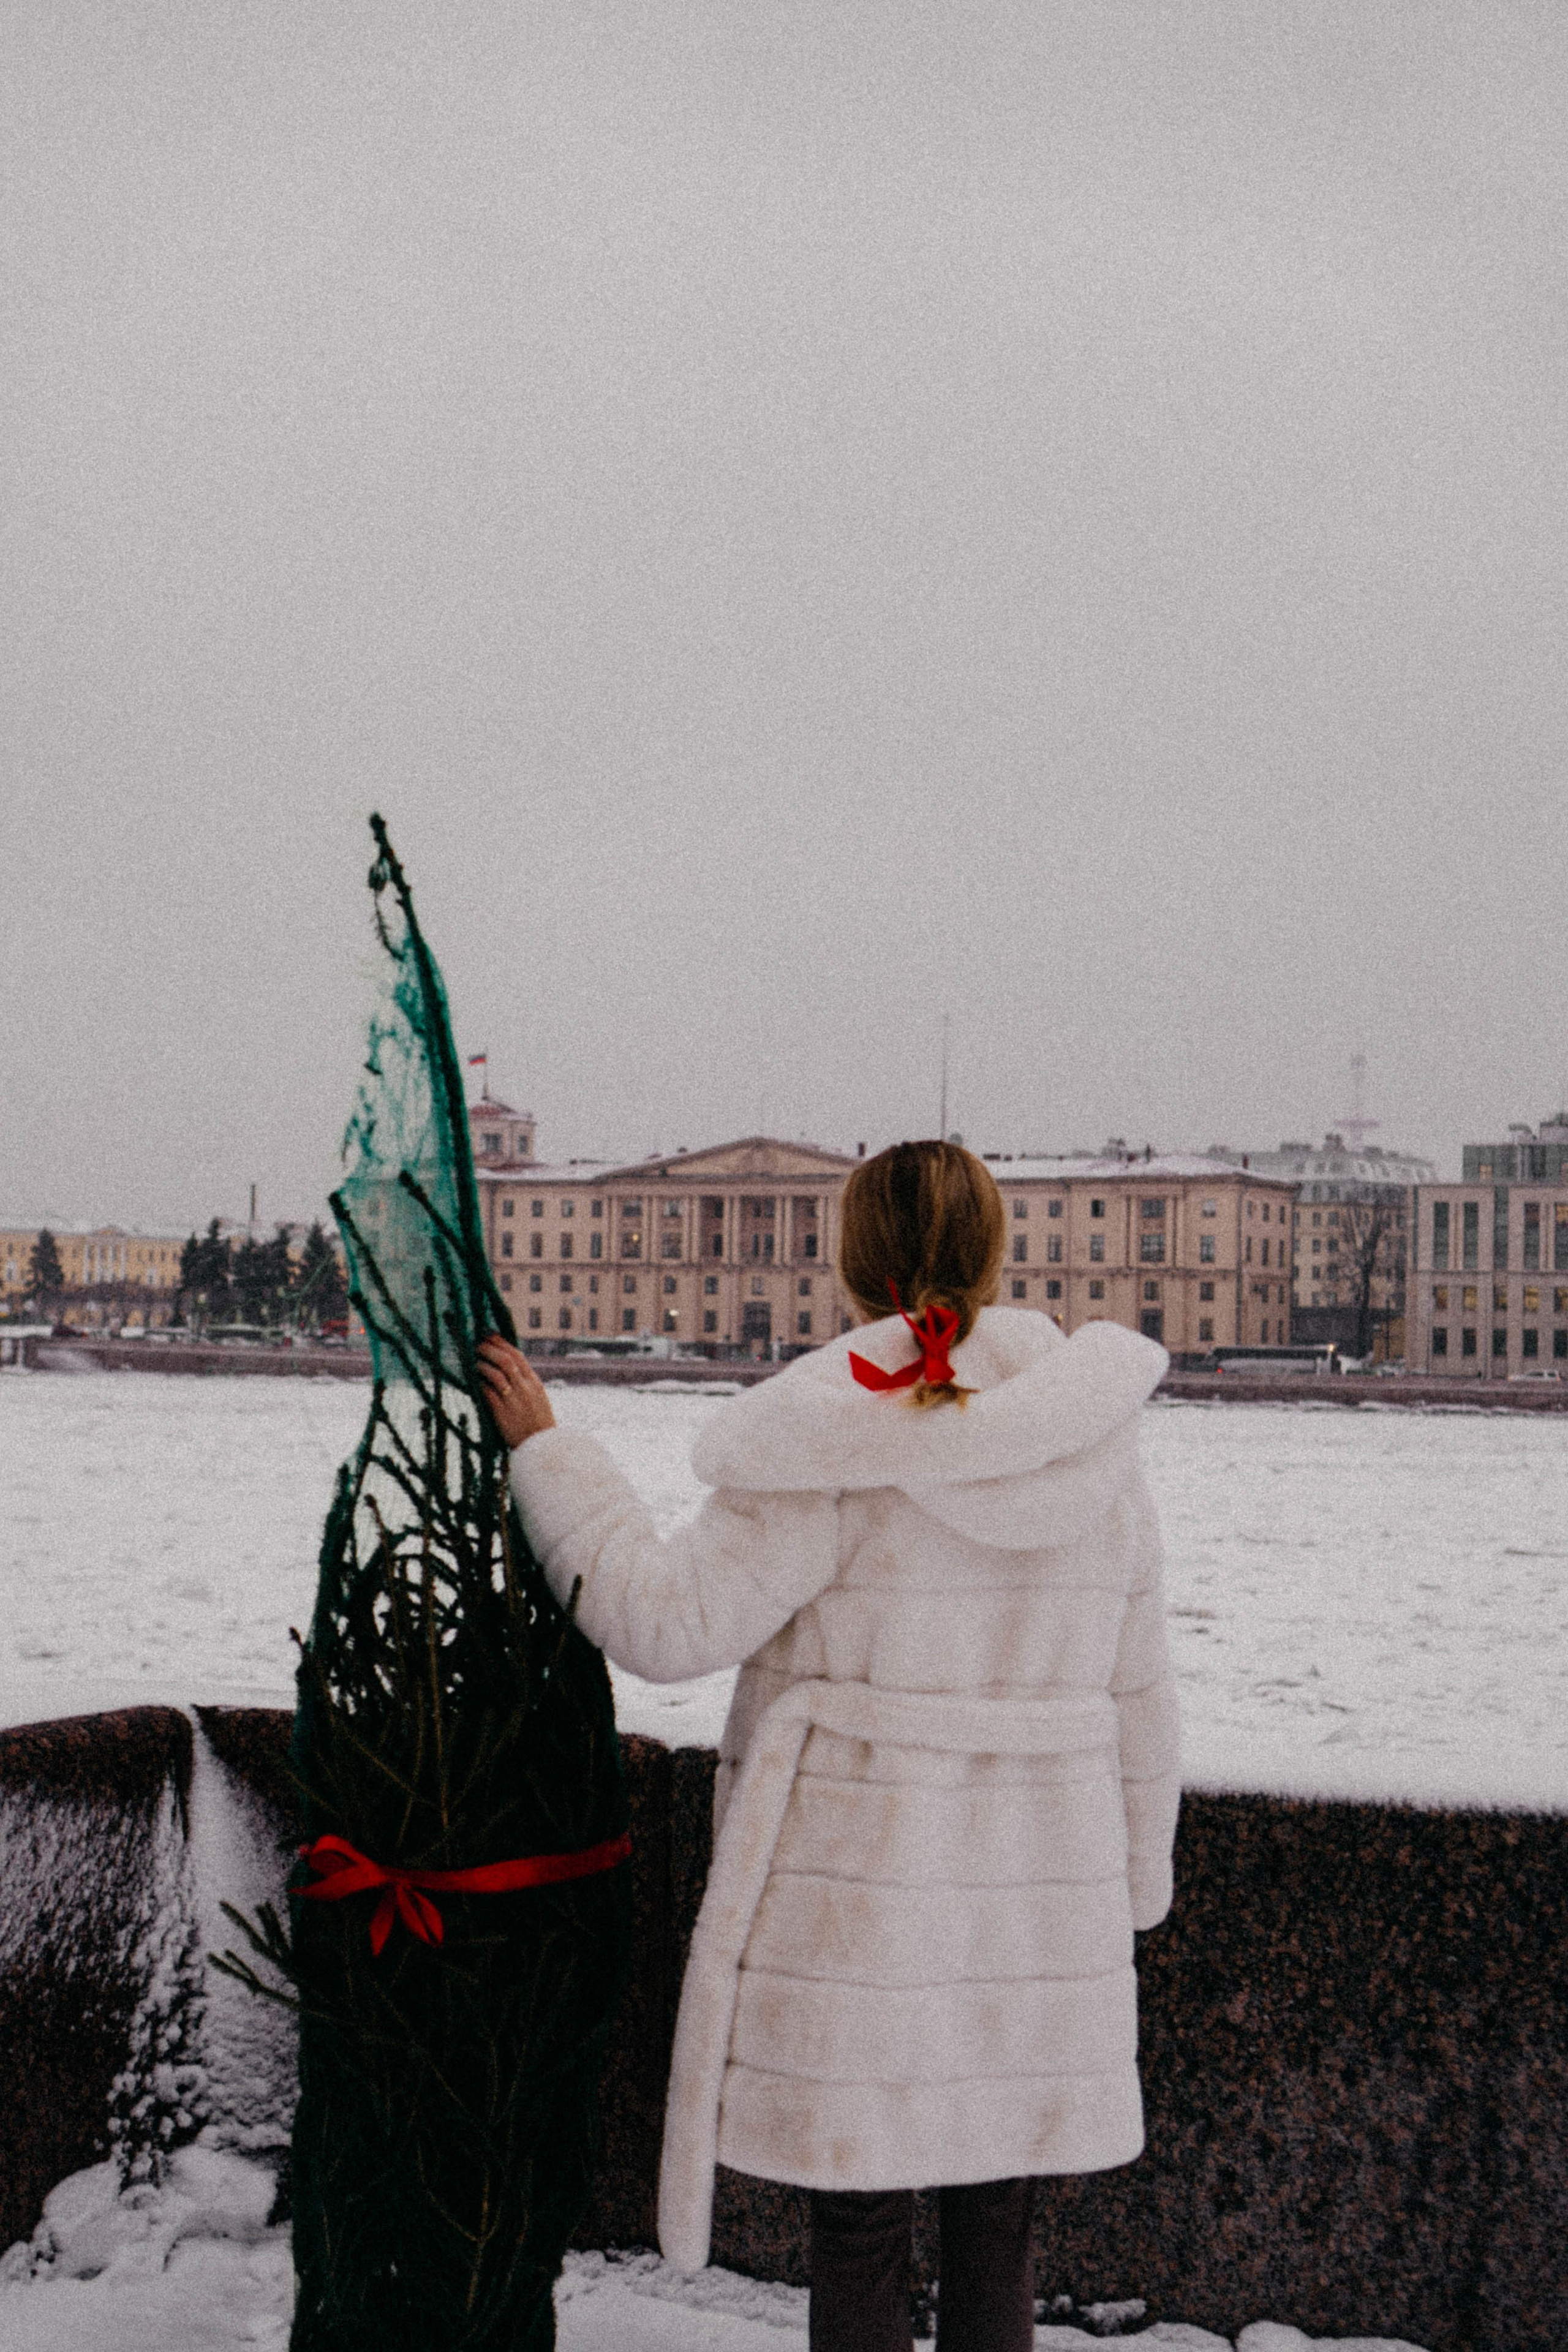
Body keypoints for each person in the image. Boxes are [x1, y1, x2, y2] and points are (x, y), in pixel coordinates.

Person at [478, 1139, 1179, 2352]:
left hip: (865, 1897)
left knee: (857, 2228)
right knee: (995, 2224)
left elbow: (662, 1617)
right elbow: (1139, 1695)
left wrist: (548, 1451)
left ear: (847, 1267)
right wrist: (1132, 1886)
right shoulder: (1091, 1445)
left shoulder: (830, 1441)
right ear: (995, 1251)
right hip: (1036, 1902)